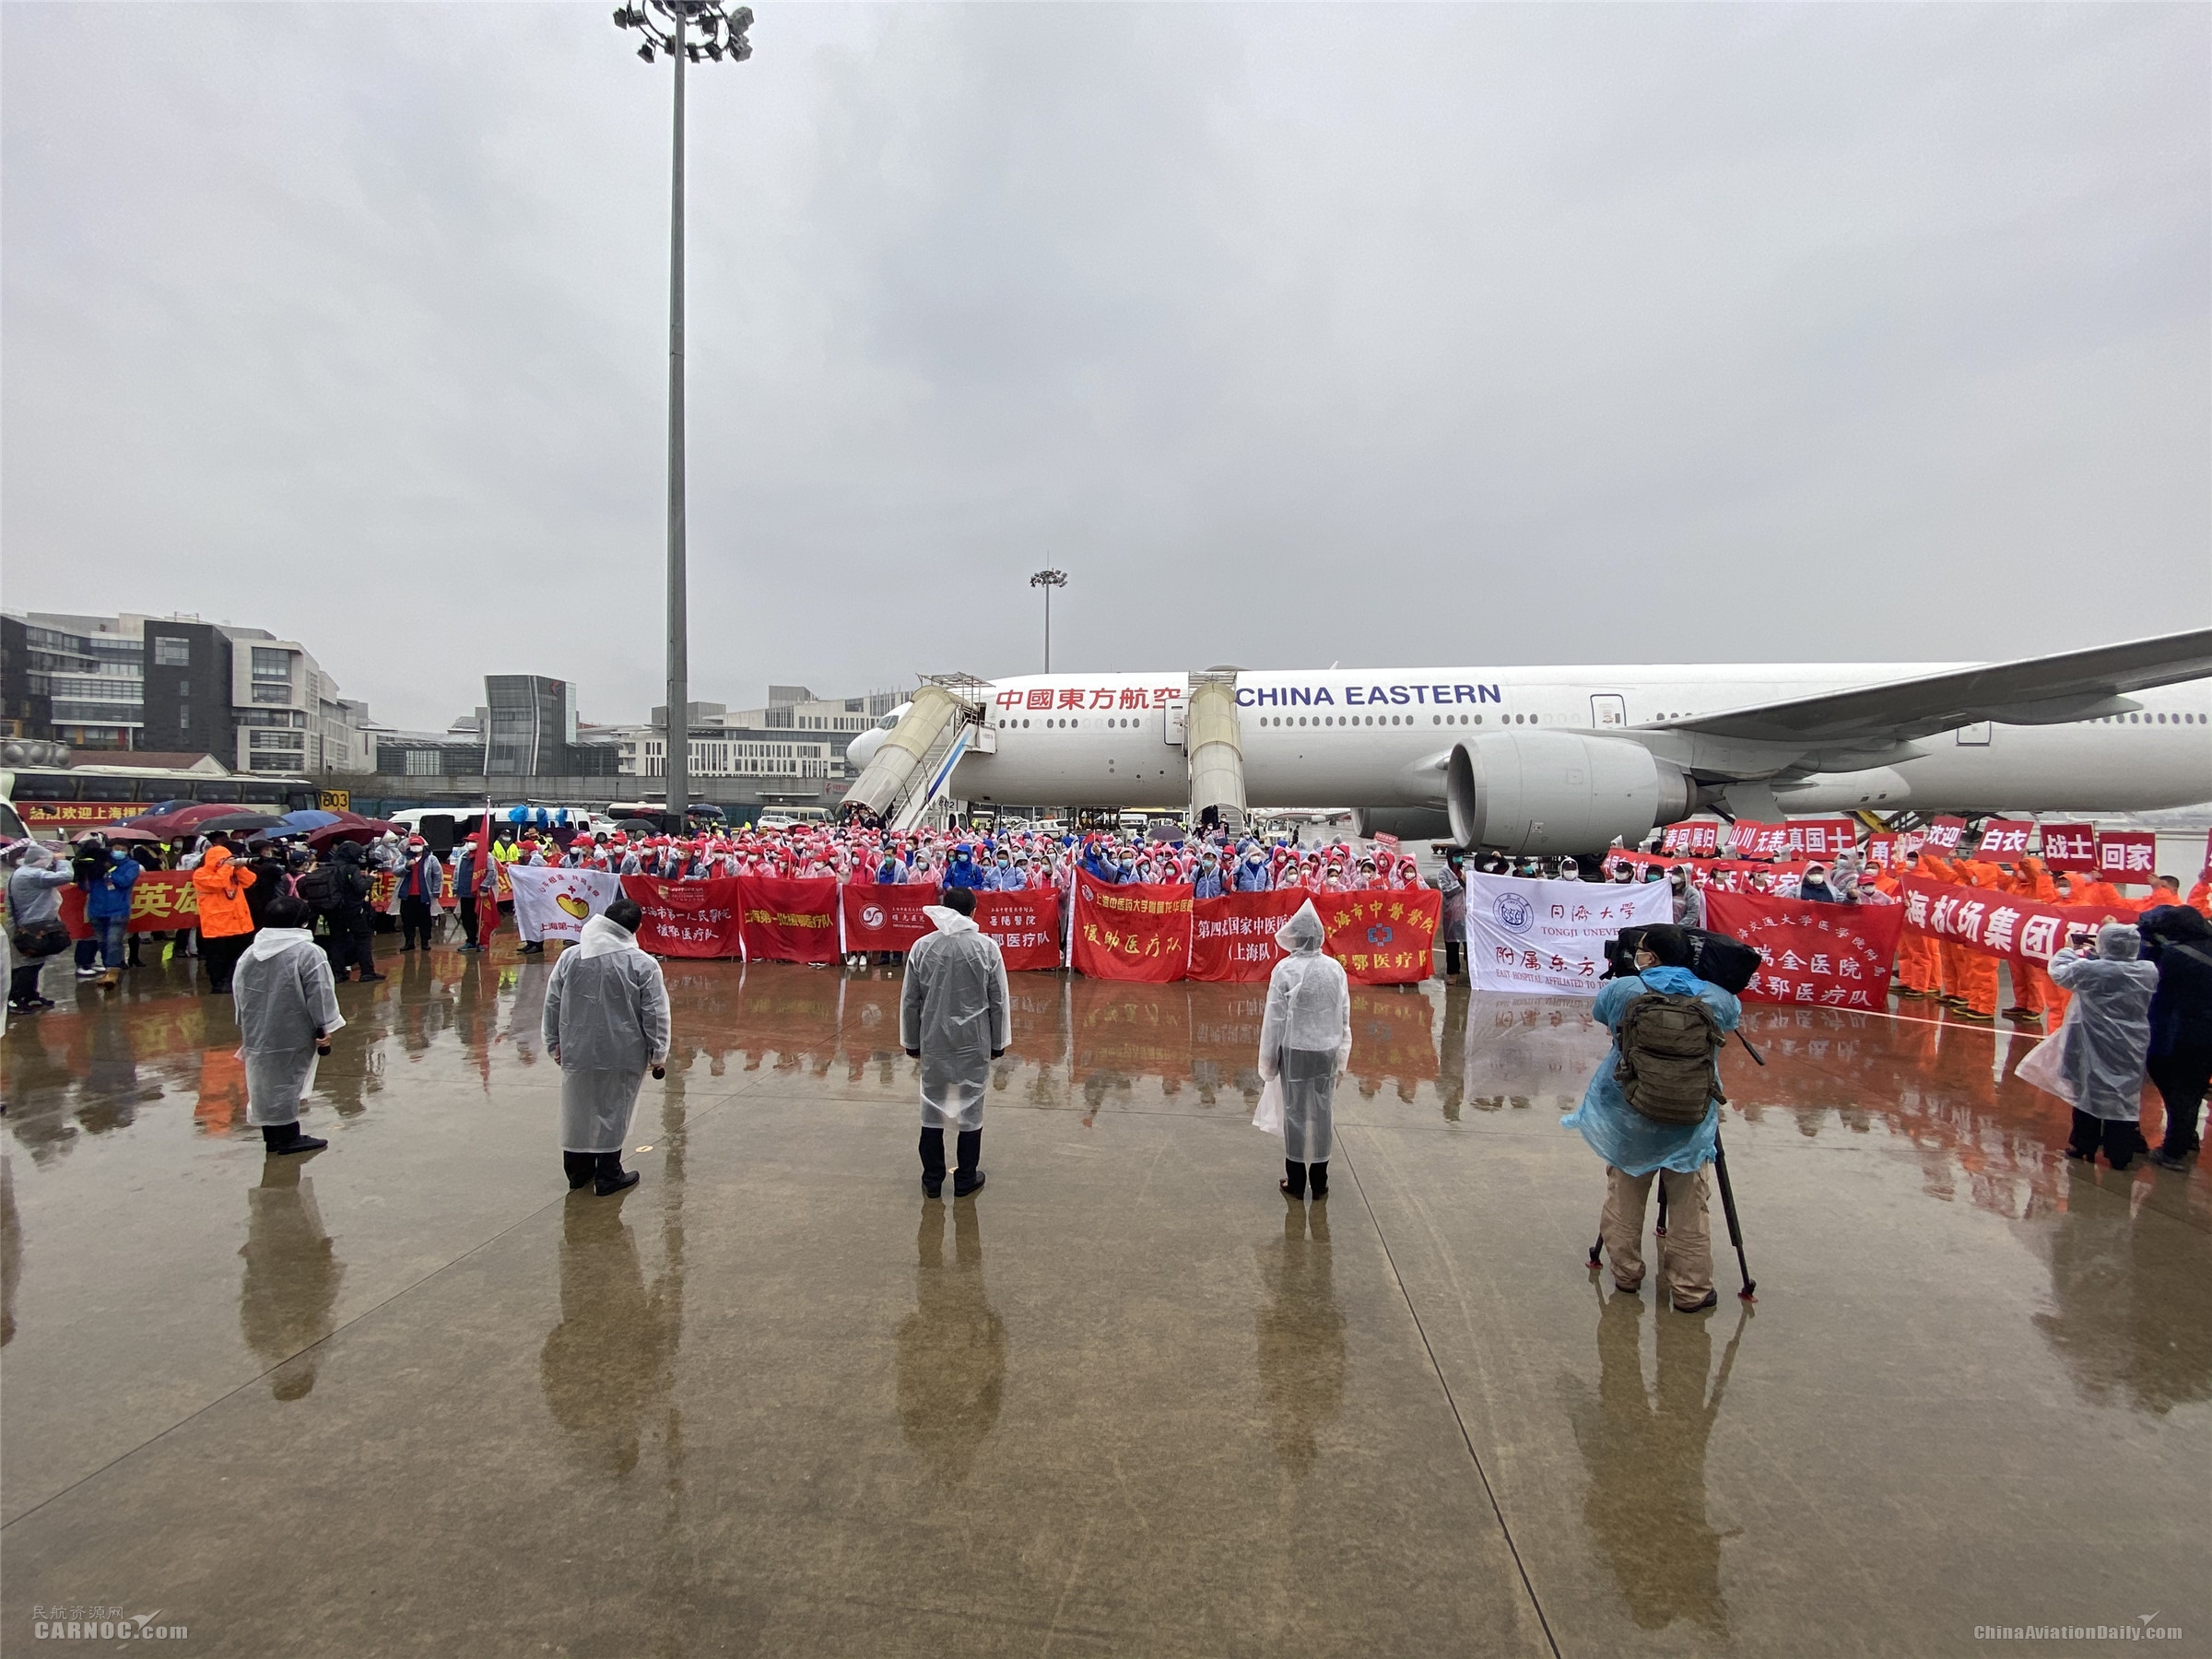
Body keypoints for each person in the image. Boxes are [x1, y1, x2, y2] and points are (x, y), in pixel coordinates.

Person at [1565, 924, 1741, 1312]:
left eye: (1642, 951)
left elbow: (1603, 1017)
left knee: (1625, 1194)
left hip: (1631, 1112)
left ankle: (1626, 1274)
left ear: (1652, 957)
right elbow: (1731, 1021)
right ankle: (1691, 1291)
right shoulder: (1717, 997)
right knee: (1689, 1205)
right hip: (1690, 1117)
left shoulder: (1623, 990)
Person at [544, 898, 669, 1198]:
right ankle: (609, 1174)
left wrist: (552, 1042)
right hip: (624, 1050)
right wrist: (659, 1053)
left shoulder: (571, 957)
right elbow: (656, 1013)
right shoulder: (642, 963)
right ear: (636, 928)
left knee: (577, 1106)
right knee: (614, 1108)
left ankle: (578, 1172)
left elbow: (552, 1003)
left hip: (577, 1047)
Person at [900, 886, 1008, 1199]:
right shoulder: (986, 948)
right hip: (974, 1040)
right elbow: (998, 1000)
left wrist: (911, 1040)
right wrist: (998, 1041)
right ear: (974, 911)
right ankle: (965, 1177)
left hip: (933, 1038)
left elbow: (910, 1000)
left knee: (931, 1105)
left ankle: (932, 1178)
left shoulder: (923, 947)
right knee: (971, 1105)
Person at [232, 896, 341, 1156]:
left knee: (263, 1082)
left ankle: (273, 1136)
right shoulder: (308, 952)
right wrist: (324, 1026)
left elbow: (239, 990)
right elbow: (320, 992)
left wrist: (245, 1023)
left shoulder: (252, 951)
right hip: (293, 1027)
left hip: (257, 1028)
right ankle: (287, 1138)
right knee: (287, 1082)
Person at [2048, 923, 2159, 1171]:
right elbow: (2117, 967)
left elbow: (2060, 972)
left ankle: (2083, 1144)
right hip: (2130, 1041)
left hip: (2090, 1038)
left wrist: (2069, 949)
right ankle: (2120, 1153)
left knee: (2085, 1091)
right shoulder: (2147, 970)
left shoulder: (2090, 971)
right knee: (2123, 1097)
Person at [1259, 900, 1351, 1200]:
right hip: (1326, 1048)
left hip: (1295, 1048)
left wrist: (1268, 1062)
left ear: (1295, 937)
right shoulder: (1335, 969)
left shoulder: (1284, 969)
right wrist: (1341, 1056)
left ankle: (1297, 1181)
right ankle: (1320, 1180)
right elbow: (1344, 1015)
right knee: (1324, 1112)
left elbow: (1273, 1020)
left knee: (1294, 1113)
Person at [2138, 904, 2212, 1171]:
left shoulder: (2176, 956)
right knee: (2192, 1088)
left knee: (2179, 1090)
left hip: (2179, 1033)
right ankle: (2186, 1136)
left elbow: (2140, 970)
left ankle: (2173, 1151)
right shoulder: (2203, 946)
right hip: (2203, 1033)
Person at [6, 844, 74, 1012]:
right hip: (32, 925)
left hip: (32, 923)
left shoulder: (22, 872)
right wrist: (62, 861)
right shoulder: (32, 874)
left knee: (35, 961)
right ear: (39, 859)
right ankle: (16, 999)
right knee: (27, 965)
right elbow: (67, 876)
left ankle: (30, 996)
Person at [72, 835, 140, 989]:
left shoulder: (131, 865)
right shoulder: (97, 863)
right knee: (102, 943)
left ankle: (112, 971)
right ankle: (108, 968)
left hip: (118, 910)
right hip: (97, 910)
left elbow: (124, 881)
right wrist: (83, 871)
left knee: (114, 942)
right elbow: (85, 887)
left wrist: (108, 872)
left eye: (124, 850)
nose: (120, 852)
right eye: (117, 849)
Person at [192, 841, 259, 995]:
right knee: (217, 958)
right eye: (223, 859)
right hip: (217, 926)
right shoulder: (201, 874)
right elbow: (217, 884)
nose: (228, 861)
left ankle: (232, 980)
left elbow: (250, 881)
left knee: (236, 956)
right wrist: (226, 867)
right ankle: (218, 984)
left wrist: (239, 868)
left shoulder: (232, 873)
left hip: (239, 923)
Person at [324, 841, 382, 982]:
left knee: (337, 940)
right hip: (353, 909)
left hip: (333, 909)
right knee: (362, 938)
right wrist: (371, 878)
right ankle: (367, 972)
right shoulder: (351, 868)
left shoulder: (329, 867)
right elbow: (361, 887)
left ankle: (339, 973)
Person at [396, 836, 445, 953]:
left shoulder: (431, 859)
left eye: (417, 844)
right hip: (407, 894)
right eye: (413, 844)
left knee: (425, 919)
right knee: (407, 919)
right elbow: (396, 871)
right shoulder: (404, 858)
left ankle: (425, 942)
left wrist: (436, 890)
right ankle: (409, 942)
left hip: (423, 894)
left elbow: (437, 875)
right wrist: (407, 865)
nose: (415, 847)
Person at [1434, 850, 1467, 979]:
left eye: (1460, 856)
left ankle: (1472, 971)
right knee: (1452, 945)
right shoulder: (1443, 872)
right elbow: (1446, 889)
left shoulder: (1466, 869)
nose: (1459, 859)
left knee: (1469, 943)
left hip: (1466, 913)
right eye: (1456, 856)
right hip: (1452, 913)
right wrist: (1460, 882)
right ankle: (1453, 973)